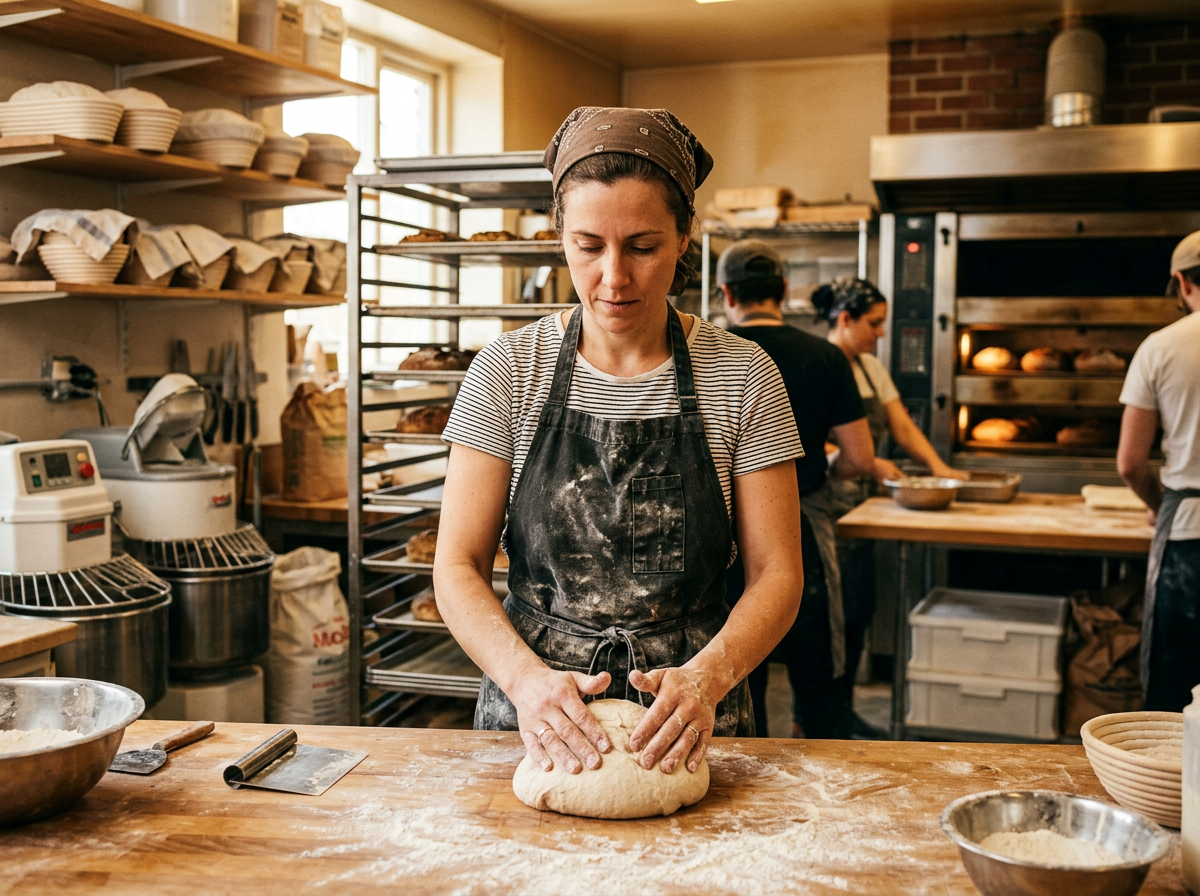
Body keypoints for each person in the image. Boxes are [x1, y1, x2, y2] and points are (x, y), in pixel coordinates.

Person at [434, 107, 805, 780]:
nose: (614, 278)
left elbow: (778, 575)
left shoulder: (744, 375)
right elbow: (456, 565)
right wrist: (525, 682)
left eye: (642, 246)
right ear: (559, 237)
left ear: (686, 236)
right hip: (536, 716)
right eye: (588, 246)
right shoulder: (509, 370)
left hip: (692, 715)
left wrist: (707, 680)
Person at [718, 240, 877, 739]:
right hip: (802, 528)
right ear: (784, 291)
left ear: (726, 295)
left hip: (719, 542)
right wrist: (823, 473)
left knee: (737, 684)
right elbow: (861, 458)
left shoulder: (706, 355)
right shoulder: (825, 356)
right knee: (819, 686)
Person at [812, 278, 966, 726]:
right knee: (829, 617)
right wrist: (869, 461)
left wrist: (940, 467)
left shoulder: (869, 369)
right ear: (845, 319)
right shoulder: (818, 364)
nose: (882, 333)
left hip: (861, 504)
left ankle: (844, 709)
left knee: (858, 606)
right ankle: (818, 715)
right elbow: (797, 443)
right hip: (824, 504)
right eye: (874, 323)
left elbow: (902, 425)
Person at [1116, 230, 1200, 712]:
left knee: (1176, 697)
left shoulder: (1160, 347)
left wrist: (1159, 505)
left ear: (1181, 281)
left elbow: (1130, 464)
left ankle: (1176, 790)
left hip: (1189, 536)